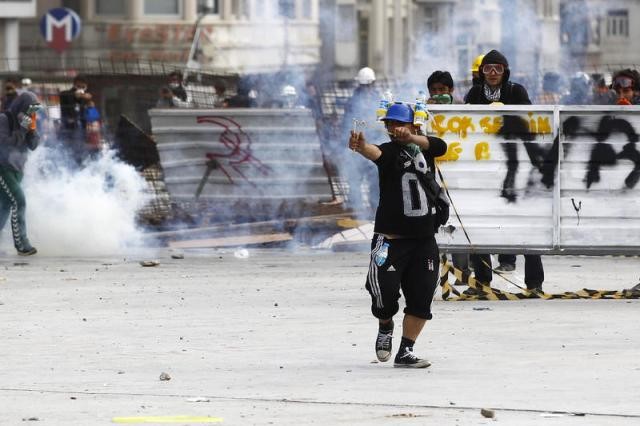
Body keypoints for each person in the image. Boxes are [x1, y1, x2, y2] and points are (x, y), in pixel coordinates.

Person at [349, 102, 447, 368]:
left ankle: (406, 351)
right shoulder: (389, 151)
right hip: (388, 240)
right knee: (382, 292)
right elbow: (375, 153)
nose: (394, 128)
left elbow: (441, 146)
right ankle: (384, 324)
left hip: (424, 240)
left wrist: (413, 138)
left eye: (399, 123)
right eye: (390, 124)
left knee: (422, 296)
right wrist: (361, 147)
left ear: (414, 124)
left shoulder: (427, 149)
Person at [464, 49, 544, 291]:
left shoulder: (515, 91)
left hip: (515, 162)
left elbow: (530, 121)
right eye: (488, 68)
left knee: (527, 224)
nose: (493, 73)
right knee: (479, 225)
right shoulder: (475, 93)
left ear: (505, 72)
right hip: (484, 165)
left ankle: (534, 283)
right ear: (481, 72)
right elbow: (464, 122)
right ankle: (481, 282)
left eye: (498, 68)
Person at [0, 91, 42, 256]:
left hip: (18, 170)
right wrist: (22, 130)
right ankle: (22, 244)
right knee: (19, 201)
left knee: (4, 206)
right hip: (3, 168)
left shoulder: (27, 122)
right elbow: (4, 144)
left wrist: (31, 130)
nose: (30, 114)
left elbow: (33, 145)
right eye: (29, 110)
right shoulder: (4, 119)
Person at [341, 67, 382, 214]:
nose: (366, 88)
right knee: (354, 180)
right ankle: (357, 212)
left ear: (372, 84)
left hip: (373, 146)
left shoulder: (380, 101)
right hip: (357, 148)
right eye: (363, 86)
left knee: (375, 182)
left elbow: (383, 125)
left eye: (368, 85)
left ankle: (374, 211)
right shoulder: (352, 102)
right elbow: (346, 125)